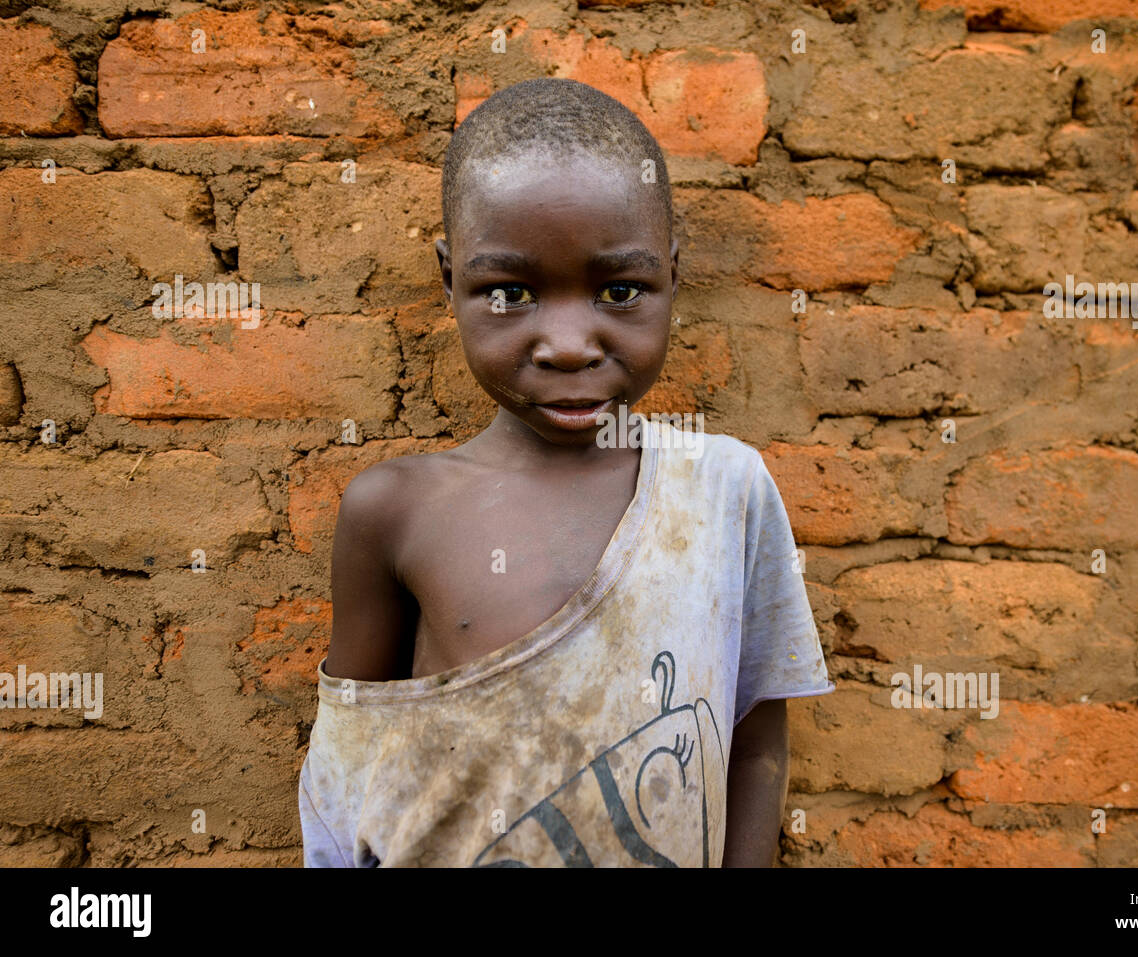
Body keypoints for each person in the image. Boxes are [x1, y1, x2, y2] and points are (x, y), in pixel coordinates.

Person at [298, 77, 834, 867]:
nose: (570, 343)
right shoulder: (395, 511)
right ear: (450, 280)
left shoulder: (725, 491)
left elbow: (754, 744)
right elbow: (345, 787)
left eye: (620, 290)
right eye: (510, 293)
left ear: (673, 277)